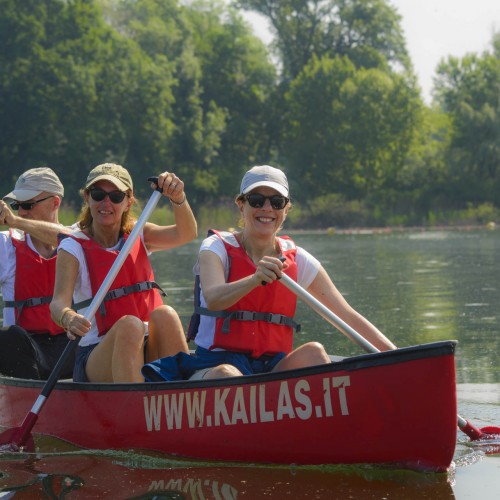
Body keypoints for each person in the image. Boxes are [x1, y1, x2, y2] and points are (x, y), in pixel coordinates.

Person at [144, 165, 396, 382]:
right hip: (215, 367)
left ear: (286, 209)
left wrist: (398, 357)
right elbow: (214, 297)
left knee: (315, 353)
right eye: (256, 200)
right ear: (241, 205)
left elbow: (346, 316)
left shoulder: (298, 259)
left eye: (276, 202)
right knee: (229, 376)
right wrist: (255, 279)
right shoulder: (216, 248)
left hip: (272, 368)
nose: (266, 208)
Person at [49, 163, 197, 383]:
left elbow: (186, 233)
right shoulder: (73, 246)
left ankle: (185, 401)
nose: (106, 203)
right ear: (87, 198)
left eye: (116, 196)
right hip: (96, 353)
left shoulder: (139, 233)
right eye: (98, 194)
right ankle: (135, 408)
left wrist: (178, 198)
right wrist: (69, 318)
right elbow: (57, 304)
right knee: (130, 325)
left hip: (147, 345)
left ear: (128, 201)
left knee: (165, 314)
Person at [0, 167, 74, 379]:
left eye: (28, 204)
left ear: (56, 203)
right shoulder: (6, 246)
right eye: (17, 206)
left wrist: (16, 221)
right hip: (27, 351)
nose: (21, 212)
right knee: (7, 337)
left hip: (74, 346)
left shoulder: (77, 239)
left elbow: (68, 238)